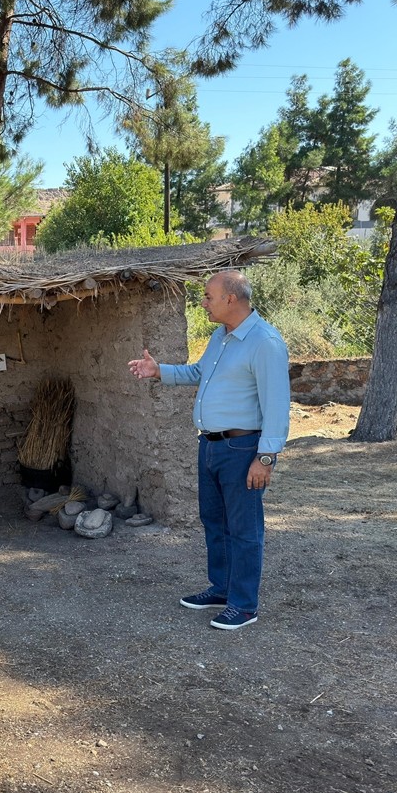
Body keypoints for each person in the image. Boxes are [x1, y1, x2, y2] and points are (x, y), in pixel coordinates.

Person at [128, 270, 290, 630]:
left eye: (207, 297)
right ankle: (222, 589)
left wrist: (265, 458)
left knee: (244, 529)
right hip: (211, 445)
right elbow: (199, 373)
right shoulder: (221, 337)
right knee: (214, 522)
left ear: (231, 299)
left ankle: (244, 605)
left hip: (243, 448)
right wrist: (159, 371)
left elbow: (278, 405)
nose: (203, 303)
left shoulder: (265, 342)